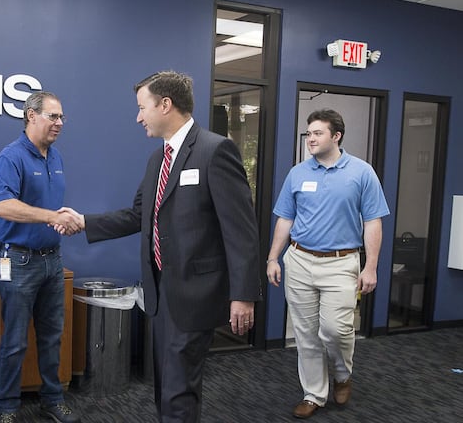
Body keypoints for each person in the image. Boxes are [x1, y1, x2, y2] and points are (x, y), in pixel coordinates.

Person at [58, 71, 261, 422]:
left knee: (179, 385)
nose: (138, 117)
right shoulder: (158, 159)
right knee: (166, 382)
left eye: (142, 107)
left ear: (165, 105)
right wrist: (85, 221)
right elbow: (138, 215)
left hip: (196, 292)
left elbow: (241, 230)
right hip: (160, 290)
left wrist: (243, 295)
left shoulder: (215, 151)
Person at [265, 109, 389, 419]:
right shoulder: (298, 173)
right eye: (308, 133)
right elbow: (285, 218)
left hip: (341, 263)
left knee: (335, 330)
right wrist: (272, 258)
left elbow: (373, 222)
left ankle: (343, 375)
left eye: (318, 133)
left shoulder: (361, 172)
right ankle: (314, 395)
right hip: (299, 259)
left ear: (337, 136)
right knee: (306, 333)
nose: (311, 139)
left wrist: (370, 266)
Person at [0, 91, 82, 423]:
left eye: (62, 118)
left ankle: (52, 399)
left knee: (52, 336)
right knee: (14, 341)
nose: (59, 123)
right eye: (53, 117)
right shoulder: (11, 157)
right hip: (17, 261)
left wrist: (63, 221)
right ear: (31, 115)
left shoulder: (55, 157)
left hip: (52, 261)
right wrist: (49, 217)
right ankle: (7, 407)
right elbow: (1, 206)